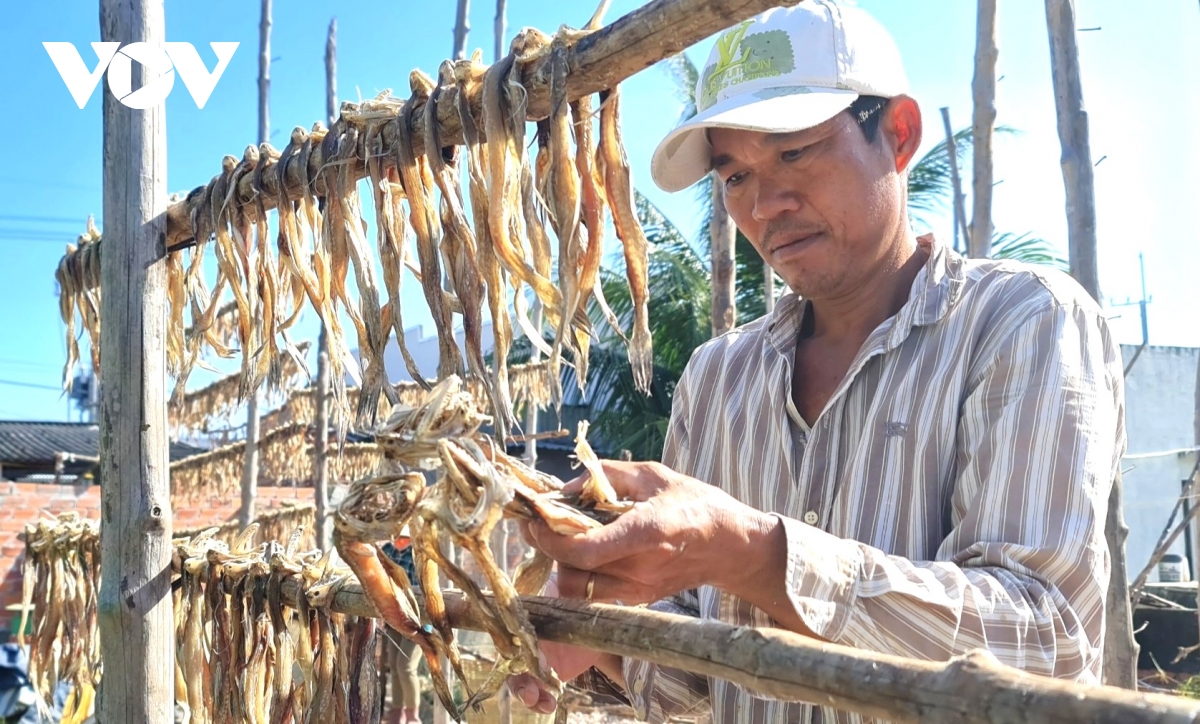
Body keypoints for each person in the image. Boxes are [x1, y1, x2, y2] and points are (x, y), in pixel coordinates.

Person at [507, 2, 1126, 722]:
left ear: (898, 134)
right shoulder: (717, 378)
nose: (765, 204)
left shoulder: (1024, 322)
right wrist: (594, 639)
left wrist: (752, 555)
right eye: (735, 177)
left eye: (795, 152)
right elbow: (701, 685)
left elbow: (1046, 641)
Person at [382, 530, 425, 724]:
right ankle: (397, 711)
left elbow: (425, 589)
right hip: (394, 617)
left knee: (405, 666)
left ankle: (412, 716)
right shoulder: (387, 550)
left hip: (417, 620)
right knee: (394, 664)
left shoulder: (418, 553)